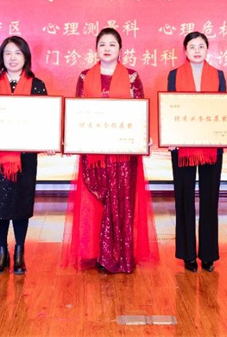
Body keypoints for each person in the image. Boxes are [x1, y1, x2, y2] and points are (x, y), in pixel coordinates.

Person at [61, 27, 159, 274]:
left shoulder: (133, 77)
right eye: (102, 44)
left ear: (120, 49)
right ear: (96, 49)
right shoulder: (84, 77)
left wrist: (142, 136)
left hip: (123, 153)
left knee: (122, 202)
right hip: (94, 153)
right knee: (94, 203)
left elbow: (139, 112)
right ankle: (97, 254)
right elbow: (78, 112)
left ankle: (120, 255)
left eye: (112, 44)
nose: (107, 48)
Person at [0, 36, 48, 275]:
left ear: (26, 57)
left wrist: (49, 141)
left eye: (18, 53)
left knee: (21, 204)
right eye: (8, 53)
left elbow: (44, 120)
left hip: (25, 158)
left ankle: (19, 252)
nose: (12, 58)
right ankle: (2, 252)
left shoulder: (37, 85)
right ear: (1, 57)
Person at [166, 31, 227, 273]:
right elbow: (170, 108)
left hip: (211, 145)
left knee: (210, 199)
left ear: (207, 49)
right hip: (183, 145)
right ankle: (188, 254)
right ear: (185, 50)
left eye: (201, 46)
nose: (197, 50)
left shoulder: (218, 75)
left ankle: (208, 254)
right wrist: (170, 137)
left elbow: (224, 108)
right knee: (184, 199)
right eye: (192, 46)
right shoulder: (174, 75)